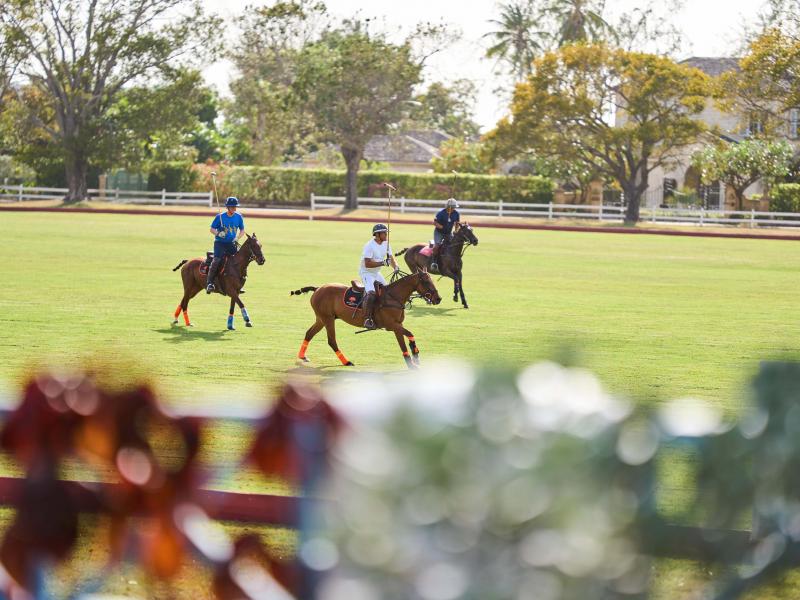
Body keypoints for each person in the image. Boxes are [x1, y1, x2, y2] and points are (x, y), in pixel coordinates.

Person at [359, 223, 399, 329]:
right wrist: (382, 263)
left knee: (387, 293)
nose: (386, 235)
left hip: (376, 273)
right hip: (366, 273)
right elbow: (367, 263)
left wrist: (395, 267)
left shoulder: (386, 244)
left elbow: (391, 258)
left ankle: (384, 316)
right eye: (384, 233)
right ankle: (367, 319)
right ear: (377, 234)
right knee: (371, 293)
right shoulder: (369, 245)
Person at [206, 196, 245, 294]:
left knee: (239, 261)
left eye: (235, 207)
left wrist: (237, 238)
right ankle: (209, 283)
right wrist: (218, 233)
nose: (234, 208)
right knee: (216, 260)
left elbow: (242, 230)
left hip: (231, 243)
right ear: (227, 207)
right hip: (220, 243)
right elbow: (212, 229)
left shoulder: (239, 217)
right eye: (232, 207)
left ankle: (239, 284)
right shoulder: (220, 217)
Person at [431, 198, 460, 272]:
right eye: (453, 207)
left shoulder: (456, 214)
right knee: (437, 246)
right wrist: (441, 227)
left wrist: (456, 231)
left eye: (454, 207)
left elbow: (457, 223)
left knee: (453, 245)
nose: (454, 208)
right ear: (448, 207)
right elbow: (435, 222)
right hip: (439, 233)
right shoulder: (441, 213)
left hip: (448, 233)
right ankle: (434, 262)